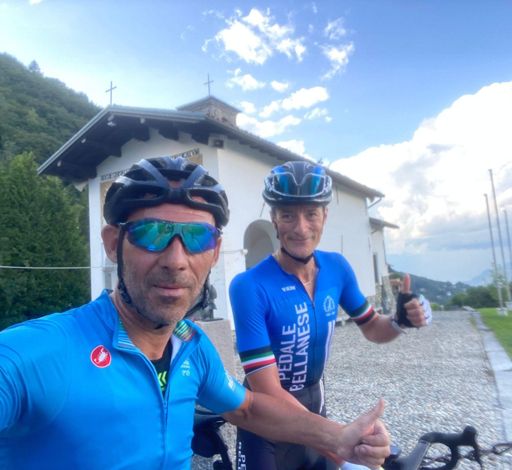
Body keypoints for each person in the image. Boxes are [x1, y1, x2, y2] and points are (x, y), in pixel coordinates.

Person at [0, 156, 391, 470]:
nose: (176, 260)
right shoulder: (33, 356)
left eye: (197, 238)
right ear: (113, 242)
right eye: (152, 234)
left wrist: (339, 437)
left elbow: (248, 408)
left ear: (215, 252)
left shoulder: (191, 345)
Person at [229, 160, 432, 470]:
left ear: (324, 215)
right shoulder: (248, 286)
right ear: (274, 219)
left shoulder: (337, 268)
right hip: (265, 419)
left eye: (311, 214)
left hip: (315, 403)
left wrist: (399, 321)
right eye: (288, 215)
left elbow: (373, 327)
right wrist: (340, 444)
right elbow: (267, 389)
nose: (301, 228)